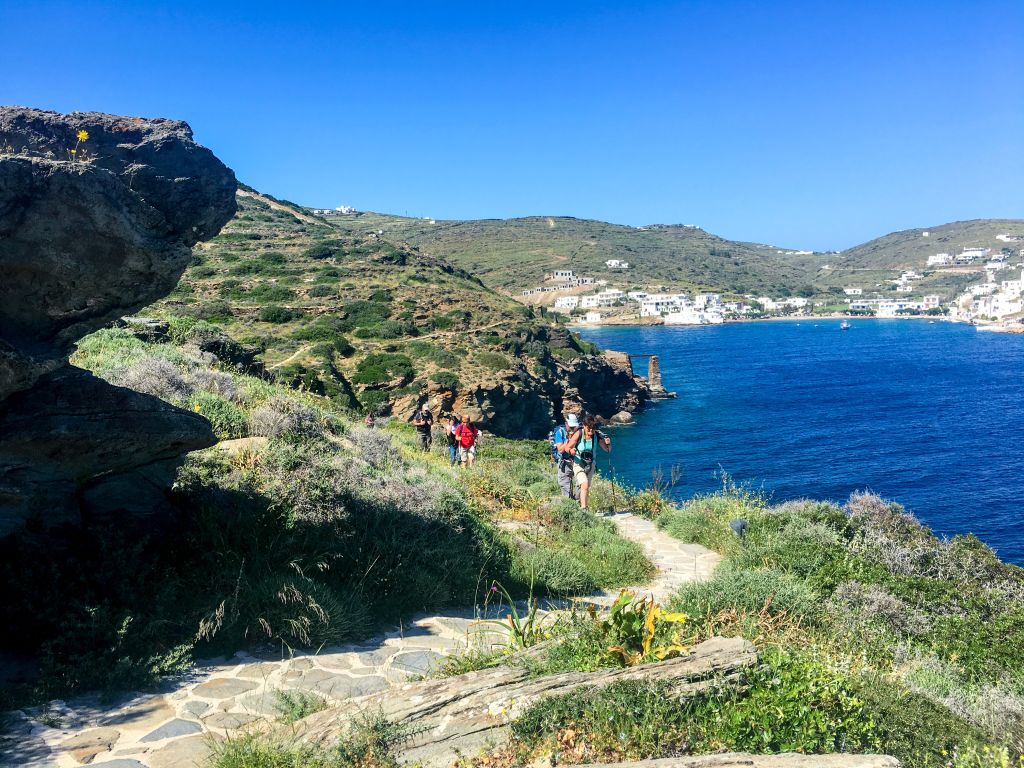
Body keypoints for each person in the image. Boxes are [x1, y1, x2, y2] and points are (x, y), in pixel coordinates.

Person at [562, 414, 610, 511]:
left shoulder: (596, 435)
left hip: (590, 464)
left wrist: (608, 443)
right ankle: (584, 508)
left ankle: (582, 505)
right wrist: (571, 451)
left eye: (593, 428)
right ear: (584, 425)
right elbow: (567, 447)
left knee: (586, 486)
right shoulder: (579, 433)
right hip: (578, 463)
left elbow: (607, 450)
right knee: (584, 484)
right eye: (589, 428)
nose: (591, 431)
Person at [553, 412, 581, 499]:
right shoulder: (560, 432)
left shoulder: (579, 432)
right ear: (566, 424)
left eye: (574, 427)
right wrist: (569, 439)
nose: (572, 429)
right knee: (565, 487)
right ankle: (568, 505)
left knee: (580, 484)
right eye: (571, 426)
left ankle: (578, 504)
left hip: (577, 462)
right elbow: (560, 450)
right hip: (564, 463)